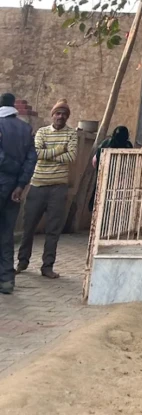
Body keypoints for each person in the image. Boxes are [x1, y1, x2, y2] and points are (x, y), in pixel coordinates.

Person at [17, 99, 77, 279]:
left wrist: (49, 153)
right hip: (37, 185)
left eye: (64, 114)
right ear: (52, 115)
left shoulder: (71, 134)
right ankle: (22, 261)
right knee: (28, 227)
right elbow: (37, 154)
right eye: (58, 113)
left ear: (67, 117)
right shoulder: (42, 132)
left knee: (53, 229)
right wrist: (60, 149)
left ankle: (47, 266)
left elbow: (72, 156)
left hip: (58, 188)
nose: (61, 117)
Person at [0, 92, 37, 294]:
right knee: (6, 233)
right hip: (15, 188)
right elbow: (32, 159)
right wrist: (20, 184)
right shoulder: (26, 129)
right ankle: (6, 280)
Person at [88, 126, 133, 212]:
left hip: (105, 178)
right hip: (114, 180)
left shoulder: (105, 143)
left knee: (101, 200)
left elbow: (94, 162)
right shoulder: (127, 145)